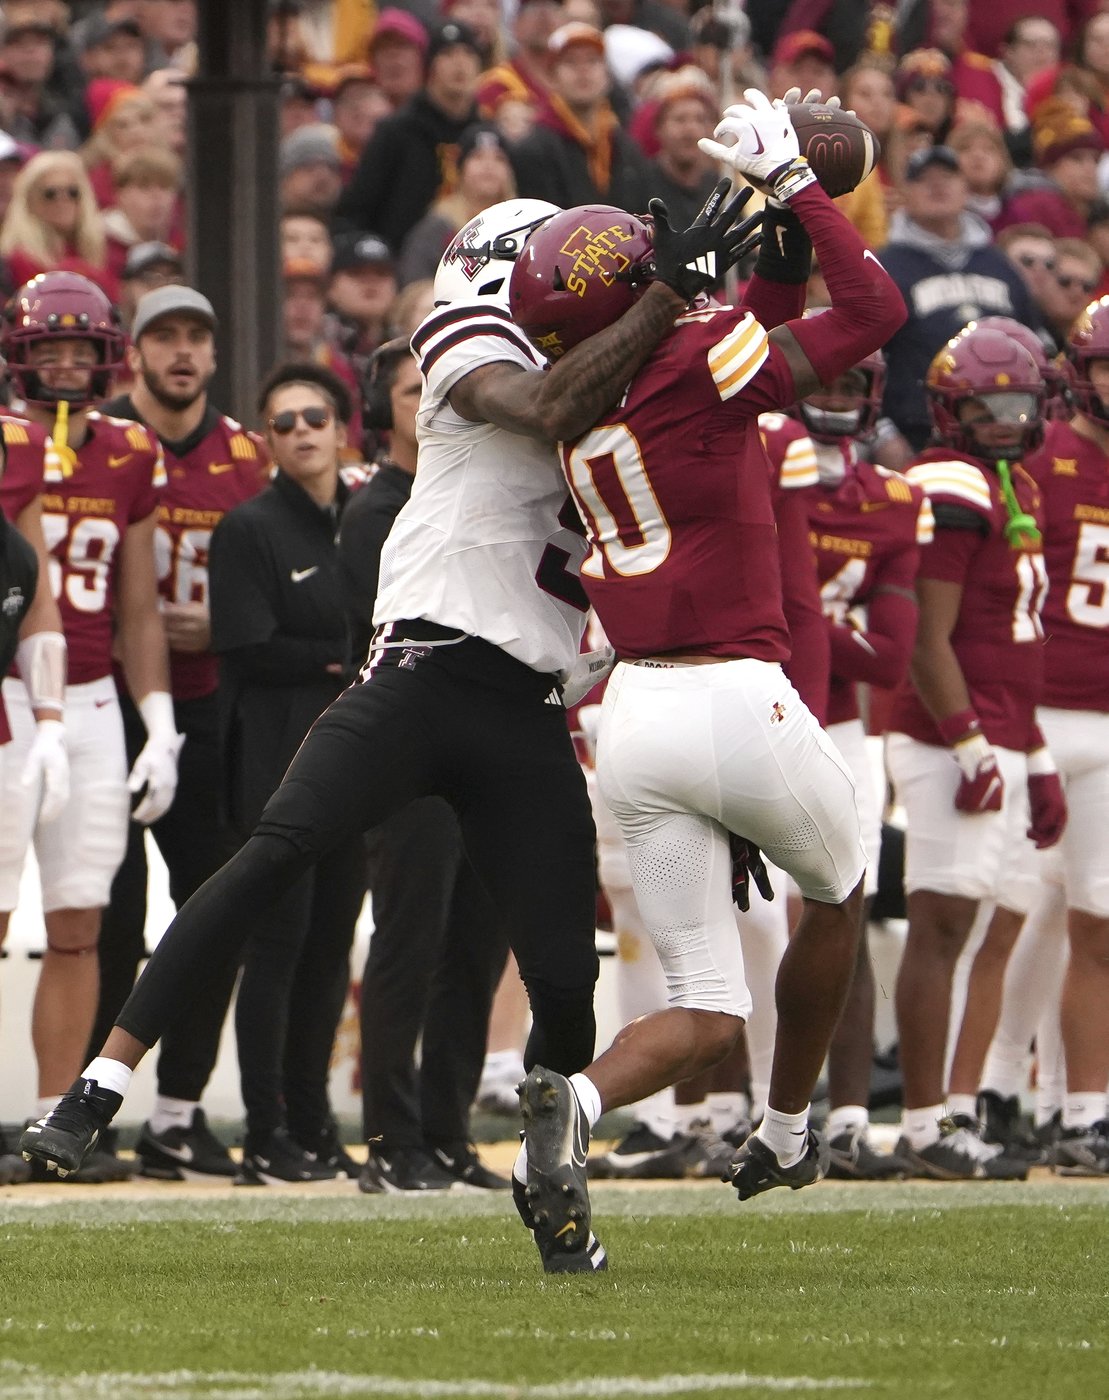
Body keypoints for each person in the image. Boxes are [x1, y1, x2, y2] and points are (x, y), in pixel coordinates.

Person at [19, 184, 758, 1256]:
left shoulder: (635, 378)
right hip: (418, 672)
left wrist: (772, 257)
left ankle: (556, 1183)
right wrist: (663, 302)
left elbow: (728, 439)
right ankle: (96, 1085)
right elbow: (548, 408)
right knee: (277, 849)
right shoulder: (473, 335)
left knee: (562, 980)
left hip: (529, 707)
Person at [508, 88, 905, 1272]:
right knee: (838, 889)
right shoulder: (691, 358)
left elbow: (749, 338)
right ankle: (787, 1130)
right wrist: (795, 192)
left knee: (705, 1000)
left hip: (632, 717)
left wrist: (774, 241)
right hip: (730, 690)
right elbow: (873, 310)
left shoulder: (581, 404)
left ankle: (571, 1105)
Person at [0, 272, 181, 1182]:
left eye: (81, 346)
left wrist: (159, 722)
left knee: (79, 924)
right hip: (11, 697)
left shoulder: (130, 448)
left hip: (94, 703)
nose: (67, 362)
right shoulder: (12, 444)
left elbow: (140, 606)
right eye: (50, 347)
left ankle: (48, 1121)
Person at [93, 284, 270, 1182]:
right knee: (109, 918)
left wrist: (229, 628)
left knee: (212, 916)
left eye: (197, 335)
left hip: (211, 707)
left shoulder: (246, 453)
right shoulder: (102, 443)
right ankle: (85, 1104)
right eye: (165, 335)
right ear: (135, 352)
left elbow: (283, 577)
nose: (183, 352)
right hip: (110, 706)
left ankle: (176, 1112)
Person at [886, 324, 1063, 1179]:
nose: (1003, 420)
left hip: (1003, 728)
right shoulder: (951, 482)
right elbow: (928, 636)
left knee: (997, 920)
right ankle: (922, 1121)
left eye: (1018, 405)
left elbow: (1014, 642)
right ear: (950, 410)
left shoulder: (1014, 480)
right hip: (946, 735)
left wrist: (1032, 754)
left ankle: (956, 1111)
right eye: (986, 406)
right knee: (942, 919)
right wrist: (966, 741)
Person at [339, 340, 509, 1193]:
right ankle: (389, 1138)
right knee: (407, 941)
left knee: (475, 944)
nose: (429, 401)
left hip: (481, 744)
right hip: (407, 749)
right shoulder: (378, 511)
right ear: (383, 410)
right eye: (411, 391)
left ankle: (446, 1130)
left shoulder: (462, 493)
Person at [209, 362, 365, 1184]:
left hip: (353, 768)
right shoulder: (248, 529)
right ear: (267, 441)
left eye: (315, 417)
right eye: (284, 422)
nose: (302, 431)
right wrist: (345, 664)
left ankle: (313, 1122)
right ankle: (263, 1132)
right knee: (277, 946)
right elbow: (246, 644)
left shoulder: (367, 519)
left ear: (342, 427)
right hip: (273, 764)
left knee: (332, 947)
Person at [973, 301, 1109, 1174]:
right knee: (1013, 912)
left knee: (1089, 919)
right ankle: (987, 1087)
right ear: (1079, 371)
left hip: (1104, 721)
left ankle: (1076, 1106)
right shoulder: (1043, 463)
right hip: (1040, 716)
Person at [797, 340, 932, 1179]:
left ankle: (847, 1117)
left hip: (843, 726)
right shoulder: (752, 467)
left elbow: (888, 659)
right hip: (747, 711)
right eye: (825, 380)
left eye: (852, 382)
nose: (838, 396)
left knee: (838, 918)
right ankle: (720, 1112)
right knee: (741, 925)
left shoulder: (888, 498)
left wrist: (803, 624)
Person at [879, 145, 1038, 450]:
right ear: (904, 192)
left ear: (966, 188)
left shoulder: (1000, 265)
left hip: (1005, 429)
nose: (937, 185)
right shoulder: (883, 266)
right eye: (924, 179)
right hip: (918, 436)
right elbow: (862, 358)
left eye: (947, 177)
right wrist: (883, 437)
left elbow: (1035, 344)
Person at [336, 20, 483, 251]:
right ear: (429, 67)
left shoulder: (485, 133)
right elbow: (356, 212)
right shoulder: (396, 132)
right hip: (401, 261)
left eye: (467, 53)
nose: (459, 64)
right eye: (447, 54)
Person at [510, 22, 650, 214]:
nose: (583, 70)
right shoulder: (532, 149)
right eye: (571, 62)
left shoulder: (625, 146)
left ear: (607, 75)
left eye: (592, 61)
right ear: (551, 77)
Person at [0, 150, 116, 299]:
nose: (63, 200)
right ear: (30, 200)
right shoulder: (18, 259)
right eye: (50, 193)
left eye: (73, 192)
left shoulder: (100, 249)